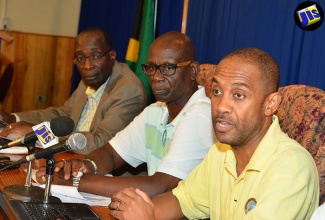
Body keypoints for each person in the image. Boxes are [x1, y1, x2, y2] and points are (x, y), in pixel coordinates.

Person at [109, 48, 320, 220]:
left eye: (238, 95)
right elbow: (181, 201)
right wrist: (138, 208)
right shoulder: (221, 153)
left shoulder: (292, 168)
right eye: (217, 92)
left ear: (270, 104)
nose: (221, 106)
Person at [35, 31, 216, 198]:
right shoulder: (156, 111)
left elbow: (163, 186)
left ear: (193, 70)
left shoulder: (200, 114)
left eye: (168, 68)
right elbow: (111, 154)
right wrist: (84, 166)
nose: (156, 76)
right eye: (151, 68)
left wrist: (77, 181)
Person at [0, 27, 146, 154]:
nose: (87, 65)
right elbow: (63, 114)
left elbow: (99, 143)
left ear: (112, 56)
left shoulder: (128, 89)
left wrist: (38, 134)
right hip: (71, 158)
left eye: (96, 56)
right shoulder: (90, 79)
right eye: (80, 58)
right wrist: (13, 119)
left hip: (107, 175)